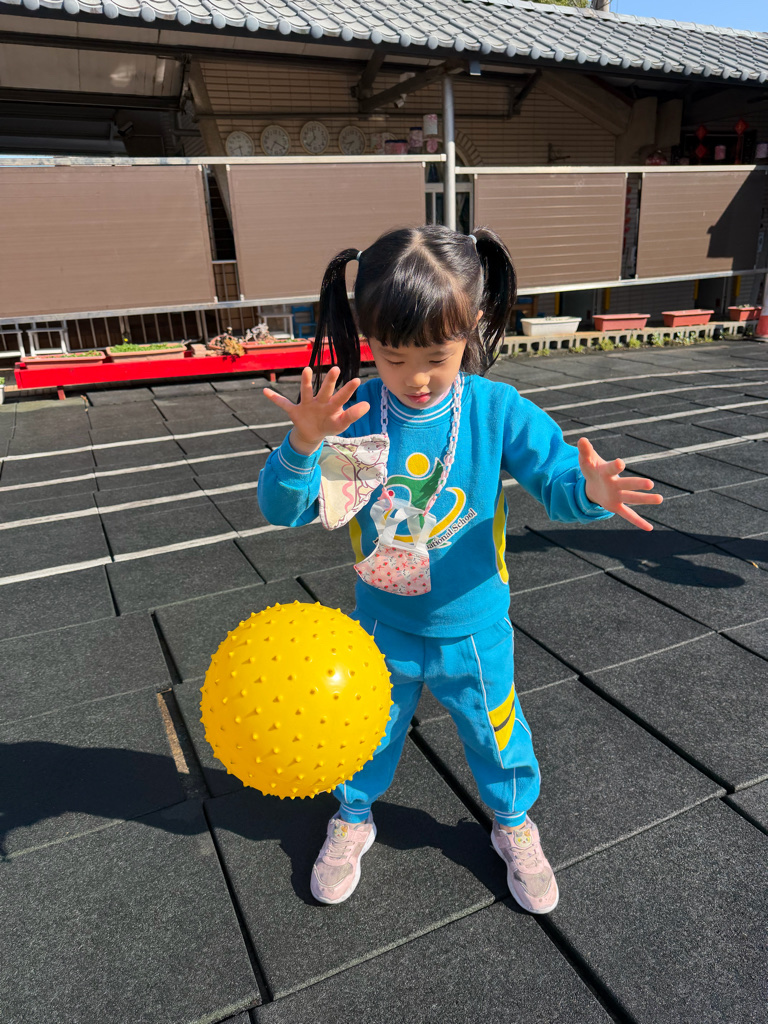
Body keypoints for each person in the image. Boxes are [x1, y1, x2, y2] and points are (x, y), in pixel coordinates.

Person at [258, 225, 662, 914]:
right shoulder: (356, 417)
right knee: (363, 731)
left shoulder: (493, 411)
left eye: (437, 357)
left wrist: (591, 491)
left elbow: (556, 478)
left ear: (471, 325)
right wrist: (302, 443)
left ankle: (513, 822)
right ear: (369, 339)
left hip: (474, 629)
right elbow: (286, 509)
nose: (416, 378)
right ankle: (353, 815)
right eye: (394, 357)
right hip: (381, 624)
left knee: (496, 733)